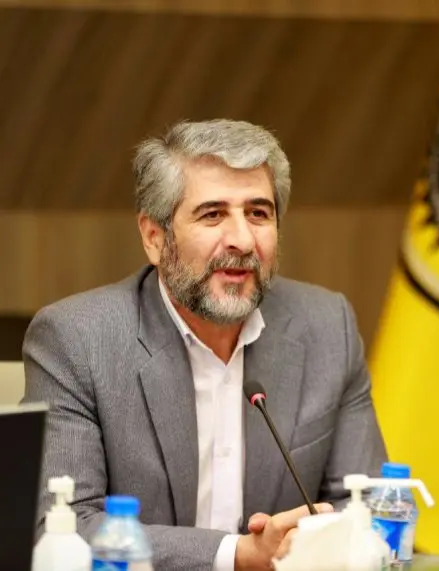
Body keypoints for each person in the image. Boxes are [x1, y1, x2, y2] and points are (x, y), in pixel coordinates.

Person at [21, 119, 388, 571]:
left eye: (258, 213)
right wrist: (236, 554)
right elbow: (62, 526)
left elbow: (371, 505)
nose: (242, 240)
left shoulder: (328, 327)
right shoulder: (77, 339)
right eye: (212, 214)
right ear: (155, 238)